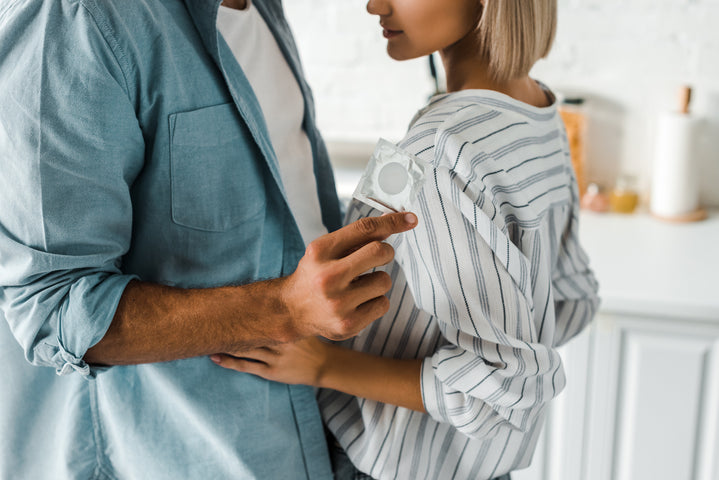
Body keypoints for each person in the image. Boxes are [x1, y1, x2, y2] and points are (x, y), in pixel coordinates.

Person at [0, 0, 417, 478]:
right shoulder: (73, 18)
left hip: (321, 439)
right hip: (178, 457)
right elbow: (52, 304)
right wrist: (283, 309)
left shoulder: (261, 8)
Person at [212, 0, 601, 479]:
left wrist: (322, 365)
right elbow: (572, 299)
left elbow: (499, 384)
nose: (375, 4)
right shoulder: (538, 111)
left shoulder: (442, 151)